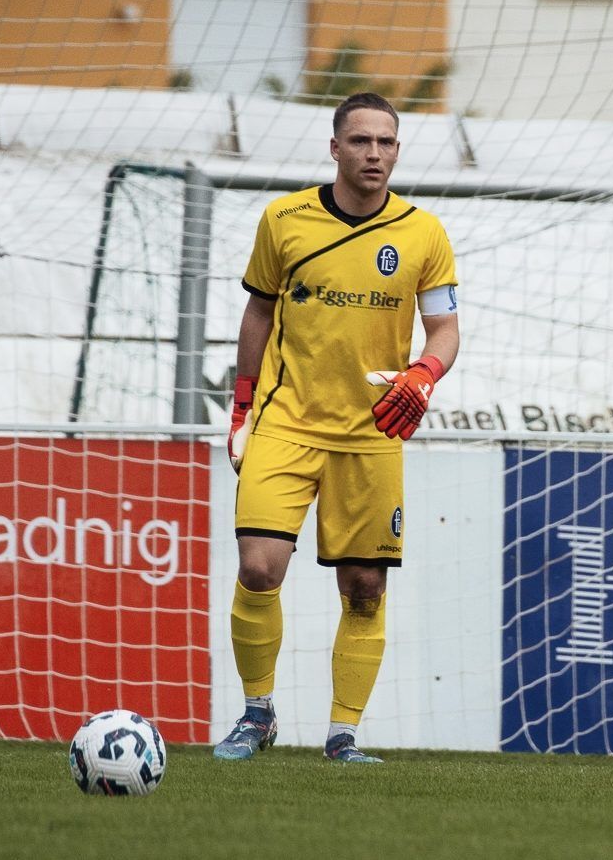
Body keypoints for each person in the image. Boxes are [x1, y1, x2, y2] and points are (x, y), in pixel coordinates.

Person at [214, 92, 459, 764]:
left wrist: (425, 372)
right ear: (335, 148)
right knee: (258, 568)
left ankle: (342, 735)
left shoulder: (424, 233)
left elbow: (444, 328)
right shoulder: (284, 219)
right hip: (286, 422)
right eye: (360, 141)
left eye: (385, 142)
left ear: (397, 151)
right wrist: (241, 405)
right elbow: (259, 313)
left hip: (372, 433)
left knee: (365, 589)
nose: (373, 153)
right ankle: (257, 714)